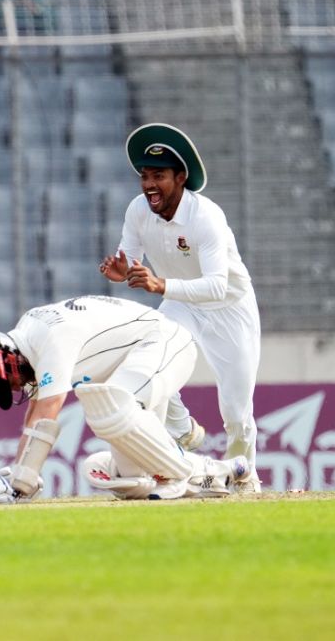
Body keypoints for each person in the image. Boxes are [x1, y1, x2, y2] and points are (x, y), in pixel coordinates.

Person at [0, 295, 250, 503]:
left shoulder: (49, 337)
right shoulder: (28, 340)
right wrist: (17, 472)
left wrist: (19, 484)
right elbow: (34, 416)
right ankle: (219, 473)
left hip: (164, 343)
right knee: (127, 476)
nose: (18, 388)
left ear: (7, 361)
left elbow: (48, 411)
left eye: (11, 383)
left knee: (110, 406)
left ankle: (179, 475)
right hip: (138, 361)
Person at [99, 123, 263, 493]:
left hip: (229, 308)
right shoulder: (138, 210)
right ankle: (183, 429)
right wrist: (122, 271)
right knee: (148, 355)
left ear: (181, 178)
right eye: (144, 176)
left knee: (236, 413)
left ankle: (243, 478)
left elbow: (217, 285)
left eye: (158, 176)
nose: (149, 185)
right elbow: (130, 259)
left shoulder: (206, 217)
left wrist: (160, 285)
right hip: (181, 305)